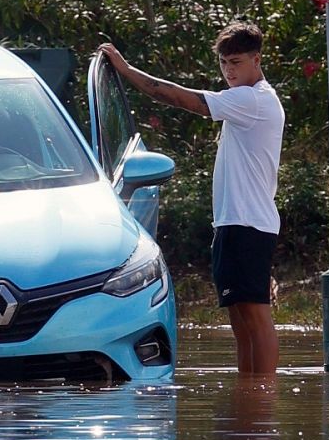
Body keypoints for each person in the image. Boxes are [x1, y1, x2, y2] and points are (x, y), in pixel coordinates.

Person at [99, 22, 286, 375]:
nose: (229, 71)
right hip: (233, 222)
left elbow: (176, 96)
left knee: (256, 316)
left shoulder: (253, 99)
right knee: (240, 319)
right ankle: (247, 399)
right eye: (223, 63)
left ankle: (262, 402)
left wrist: (125, 70)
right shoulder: (243, 102)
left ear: (256, 60)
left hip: (249, 223)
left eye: (236, 62)